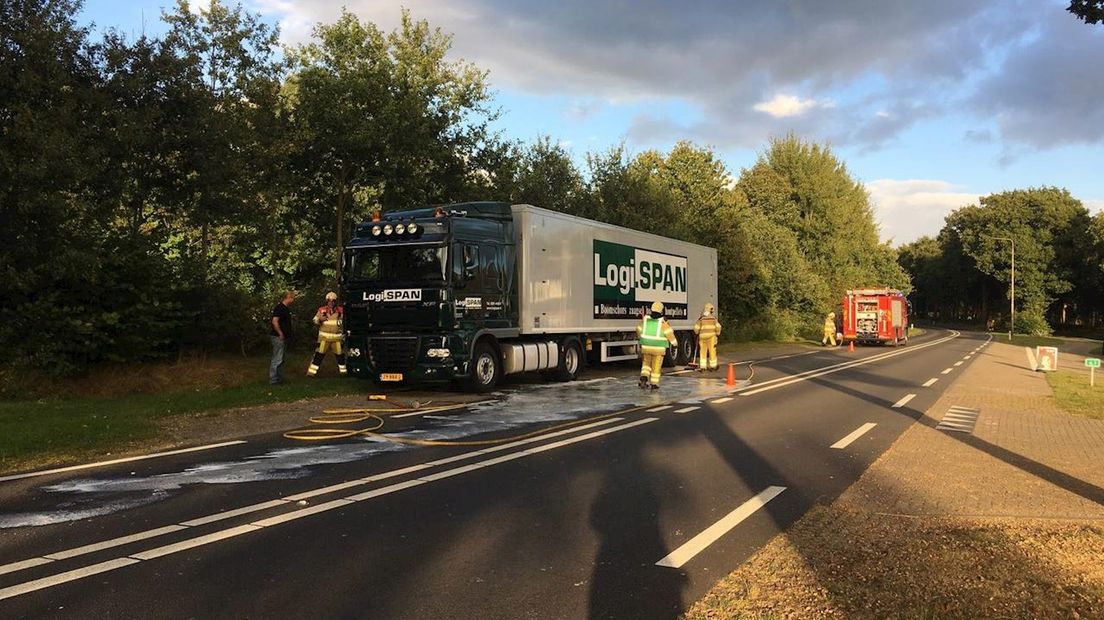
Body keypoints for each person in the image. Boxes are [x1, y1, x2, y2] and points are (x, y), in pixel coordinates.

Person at [637, 301, 678, 390]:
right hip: (658, 348)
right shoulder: (663, 322)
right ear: (661, 310)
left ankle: (644, 378)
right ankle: (654, 383)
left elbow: (639, 329)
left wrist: (642, 338)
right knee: (656, 366)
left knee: (646, 364)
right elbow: (669, 334)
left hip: (646, 346)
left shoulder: (646, 319)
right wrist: (675, 344)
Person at [308, 291, 347, 376]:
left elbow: (346, 322)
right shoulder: (322, 310)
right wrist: (320, 319)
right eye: (329, 301)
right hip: (324, 338)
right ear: (327, 301)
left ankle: (344, 373)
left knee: (340, 356)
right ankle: (311, 373)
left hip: (337, 338)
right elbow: (314, 320)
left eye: (333, 301)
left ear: (335, 301)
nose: (331, 303)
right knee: (319, 355)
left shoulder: (341, 310)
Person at [270, 291, 296, 384]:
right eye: (291, 298)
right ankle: (273, 379)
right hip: (278, 337)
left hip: (284, 337)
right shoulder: (280, 308)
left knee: (281, 359)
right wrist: (280, 333)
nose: (292, 300)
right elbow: (275, 321)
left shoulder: (286, 309)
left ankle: (279, 378)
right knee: (277, 358)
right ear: (287, 297)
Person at [693, 303, 722, 371]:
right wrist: (718, 333)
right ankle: (713, 366)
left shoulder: (701, 318)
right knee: (712, 351)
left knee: (703, 352)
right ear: (711, 310)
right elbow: (718, 326)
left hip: (702, 338)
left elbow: (696, 328)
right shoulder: (713, 318)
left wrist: (697, 333)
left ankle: (703, 367)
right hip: (711, 337)